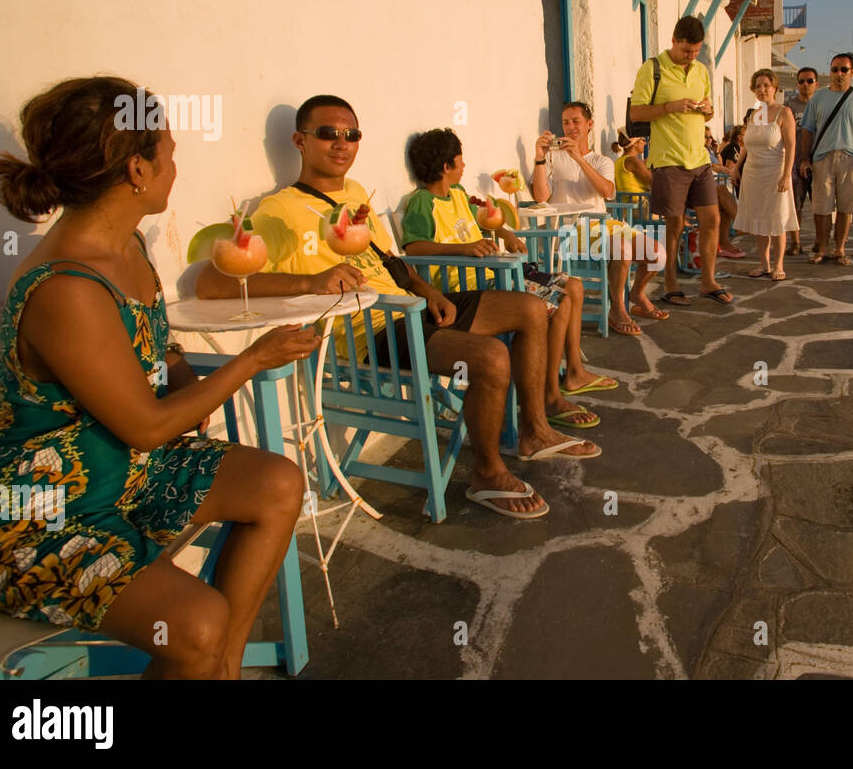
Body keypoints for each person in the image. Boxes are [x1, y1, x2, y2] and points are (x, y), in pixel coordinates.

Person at [0, 76, 315, 678]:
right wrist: (251, 360)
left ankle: (222, 669)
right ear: (137, 170)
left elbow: (160, 349)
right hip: (42, 512)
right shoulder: (66, 287)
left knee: (279, 483)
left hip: (125, 471)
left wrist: (184, 381)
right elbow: (148, 427)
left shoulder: (126, 244)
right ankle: (208, 655)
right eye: (170, 155)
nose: (175, 168)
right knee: (196, 622)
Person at [197, 96, 599, 520]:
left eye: (351, 135)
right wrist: (310, 281)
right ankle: (486, 472)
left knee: (533, 309)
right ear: (300, 140)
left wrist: (427, 289)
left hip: (412, 308)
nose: (341, 143)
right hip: (368, 334)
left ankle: (534, 431)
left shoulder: (354, 194)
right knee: (491, 357)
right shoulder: (279, 211)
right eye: (327, 134)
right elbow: (212, 282)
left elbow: (392, 259)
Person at [401, 127, 615, 424]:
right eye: (460, 161)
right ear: (445, 167)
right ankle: (549, 395)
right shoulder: (422, 202)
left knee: (569, 290)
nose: (464, 166)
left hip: (490, 275)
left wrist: (503, 232)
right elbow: (414, 246)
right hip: (463, 287)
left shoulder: (459, 194)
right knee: (557, 302)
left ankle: (559, 383)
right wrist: (463, 249)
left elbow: (483, 216)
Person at [532, 102, 669, 334]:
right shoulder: (553, 158)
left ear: (589, 124)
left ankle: (636, 293)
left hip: (604, 224)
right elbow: (541, 196)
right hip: (571, 229)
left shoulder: (602, 161)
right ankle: (617, 309)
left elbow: (607, 191)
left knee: (657, 254)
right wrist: (539, 158)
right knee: (622, 249)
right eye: (566, 122)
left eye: (576, 121)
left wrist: (579, 158)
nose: (570, 127)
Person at [628, 15, 733, 307]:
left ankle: (708, 281)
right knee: (674, 226)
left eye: (696, 51)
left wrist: (708, 110)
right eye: (687, 50)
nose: (691, 56)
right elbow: (636, 113)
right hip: (668, 159)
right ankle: (671, 283)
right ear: (674, 41)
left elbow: (708, 113)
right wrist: (669, 107)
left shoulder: (700, 71)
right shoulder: (653, 69)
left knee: (711, 220)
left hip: (699, 159)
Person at [797, 53, 853, 266]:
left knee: (846, 206)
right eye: (834, 69)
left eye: (843, 69)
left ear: (851, 72)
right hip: (822, 158)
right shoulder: (818, 98)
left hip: (850, 158)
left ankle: (840, 249)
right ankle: (822, 248)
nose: (838, 74)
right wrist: (805, 158)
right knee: (821, 207)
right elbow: (807, 130)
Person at [734, 70, 798, 281]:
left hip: (775, 173)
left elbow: (790, 146)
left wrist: (786, 175)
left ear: (774, 87)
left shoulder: (784, 113)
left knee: (776, 221)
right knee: (759, 223)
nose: (762, 90)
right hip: (753, 174)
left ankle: (778, 265)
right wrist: (737, 167)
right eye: (758, 86)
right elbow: (746, 145)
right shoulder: (755, 113)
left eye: (766, 85)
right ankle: (764, 264)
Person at [782, 66, 818, 254]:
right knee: (795, 205)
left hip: (818, 162)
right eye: (802, 81)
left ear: (816, 84)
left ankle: (821, 242)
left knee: (820, 204)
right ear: (797, 84)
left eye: (809, 81)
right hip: (795, 163)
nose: (805, 85)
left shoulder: (821, 104)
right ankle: (795, 243)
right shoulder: (789, 106)